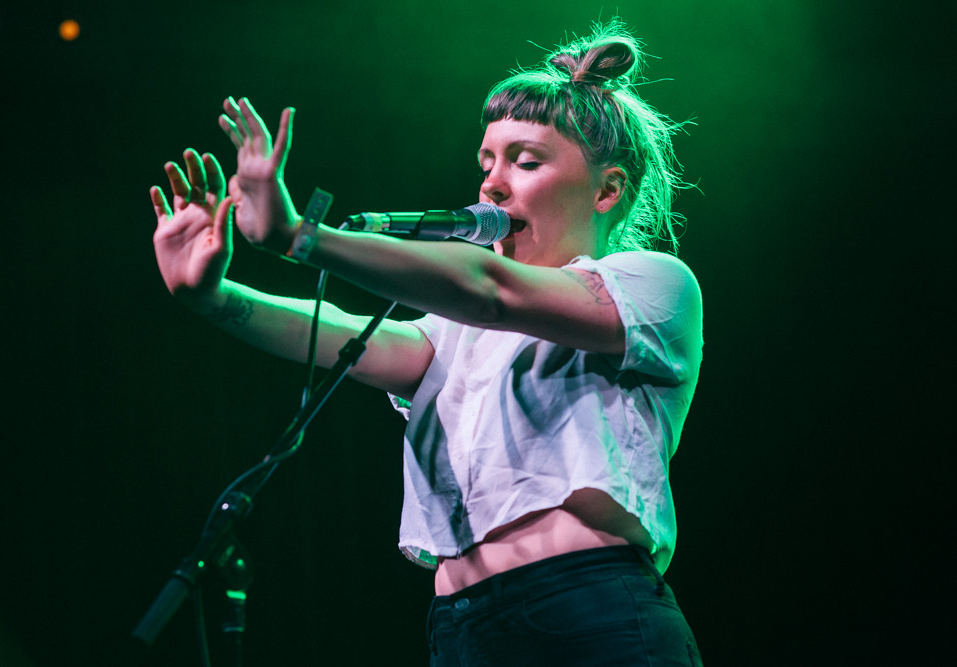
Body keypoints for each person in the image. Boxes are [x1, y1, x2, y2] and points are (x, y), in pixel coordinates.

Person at [150, 21, 703, 667]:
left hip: (587, 608)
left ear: (608, 189)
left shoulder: (650, 283)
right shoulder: (454, 330)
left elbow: (491, 288)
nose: (493, 185)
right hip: (461, 626)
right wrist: (213, 298)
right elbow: (343, 336)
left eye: (526, 161)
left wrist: (301, 235)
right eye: (486, 164)